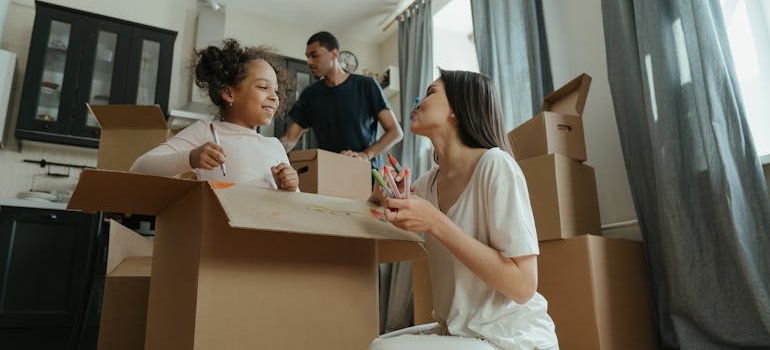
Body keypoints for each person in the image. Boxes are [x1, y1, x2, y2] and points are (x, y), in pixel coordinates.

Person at [368, 69, 559, 350]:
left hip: (511, 338)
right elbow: (381, 215)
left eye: (431, 92)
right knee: (379, 342)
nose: (418, 101)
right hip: (461, 332)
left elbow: (523, 286)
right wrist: (378, 196)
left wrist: (436, 222)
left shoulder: (495, 165)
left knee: (382, 349)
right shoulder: (428, 183)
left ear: (457, 109)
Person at [130, 38, 299, 192]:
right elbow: (139, 168)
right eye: (263, 87)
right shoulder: (208, 131)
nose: (274, 97)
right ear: (228, 93)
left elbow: (293, 208)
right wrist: (191, 158)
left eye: (276, 91)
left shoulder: (275, 146)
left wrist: (291, 188)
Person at [279, 31, 403, 169]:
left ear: (334, 54)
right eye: (307, 57)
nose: (309, 62)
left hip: (366, 174)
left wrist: (365, 155)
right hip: (328, 175)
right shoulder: (310, 95)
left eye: (314, 55)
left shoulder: (366, 85)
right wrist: (268, 151)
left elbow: (395, 132)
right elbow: (290, 138)